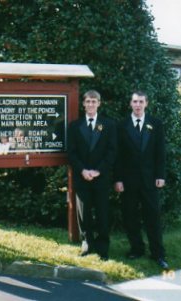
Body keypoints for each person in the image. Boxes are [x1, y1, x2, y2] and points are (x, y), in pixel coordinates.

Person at [114, 91, 168, 269]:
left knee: (153, 217)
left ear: (146, 104)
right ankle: (137, 249)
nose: (138, 105)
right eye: (135, 101)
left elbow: (160, 152)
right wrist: (118, 179)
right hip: (128, 182)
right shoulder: (121, 125)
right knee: (130, 217)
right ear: (130, 104)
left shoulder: (156, 124)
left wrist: (160, 175)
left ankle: (158, 254)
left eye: (141, 102)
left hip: (150, 180)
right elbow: (118, 156)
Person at [67, 90, 117, 260]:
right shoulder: (75, 126)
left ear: (99, 103)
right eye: (88, 101)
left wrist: (98, 171)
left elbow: (112, 152)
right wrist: (83, 170)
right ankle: (87, 243)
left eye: (94, 101)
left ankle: (103, 247)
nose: (90, 104)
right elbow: (71, 153)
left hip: (101, 178)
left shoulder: (108, 125)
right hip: (82, 177)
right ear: (83, 104)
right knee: (84, 214)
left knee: (103, 213)